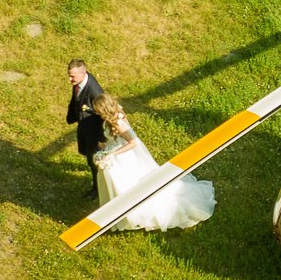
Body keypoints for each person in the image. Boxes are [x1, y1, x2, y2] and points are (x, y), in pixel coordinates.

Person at [89, 92, 215, 231]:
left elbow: (134, 142)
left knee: (128, 184)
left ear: (104, 109)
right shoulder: (110, 119)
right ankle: (120, 213)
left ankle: (132, 213)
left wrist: (112, 154)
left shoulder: (118, 123)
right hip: (115, 153)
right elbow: (117, 139)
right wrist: (105, 147)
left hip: (124, 158)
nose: (96, 112)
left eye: (97, 109)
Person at [66, 59, 106, 197]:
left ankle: (97, 189)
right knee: (86, 153)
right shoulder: (79, 81)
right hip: (84, 126)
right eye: (69, 75)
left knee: (94, 161)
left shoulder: (95, 92)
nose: (70, 79)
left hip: (94, 132)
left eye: (73, 76)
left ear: (83, 74)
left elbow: (104, 115)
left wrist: (101, 139)